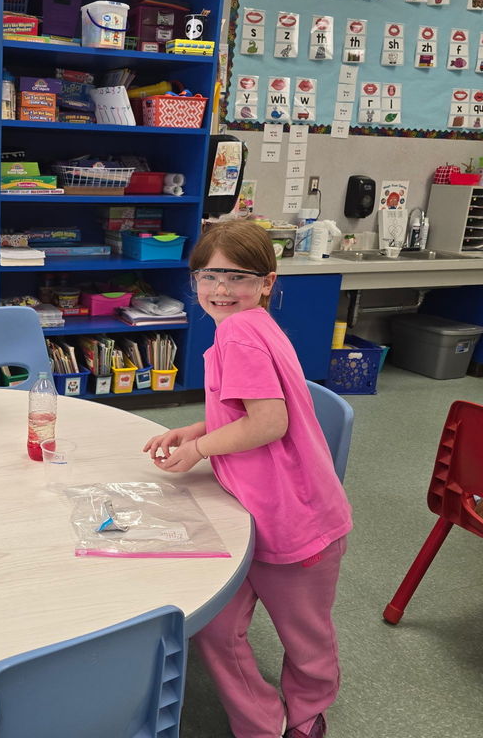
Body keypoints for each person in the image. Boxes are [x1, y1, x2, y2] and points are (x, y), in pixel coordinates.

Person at [142, 220, 352, 738]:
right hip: (249, 509)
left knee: (303, 637)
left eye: (237, 277)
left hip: (296, 519)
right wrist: (200, 428)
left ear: (266, 283)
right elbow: (247, 408)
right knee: (216, 625)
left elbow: (269, 423)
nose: (220, 289)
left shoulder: (240, 332)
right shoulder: (250, 324)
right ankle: (260, 721)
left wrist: (197, 449)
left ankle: (306, 713)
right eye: (208, 276)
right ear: (194, 280)